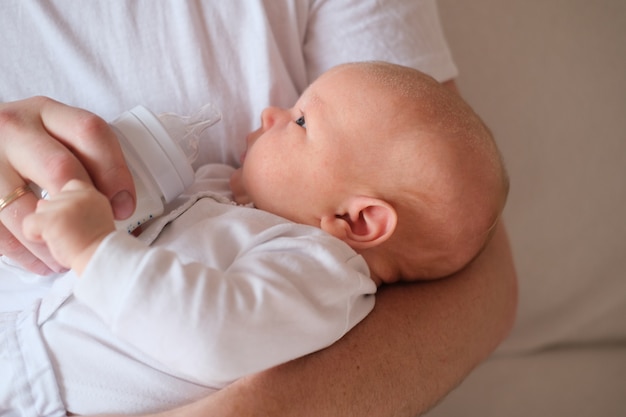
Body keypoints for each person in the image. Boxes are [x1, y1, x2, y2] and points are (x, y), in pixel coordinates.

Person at [0, 2, 517, 416]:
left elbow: (210, 333)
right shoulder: (240, 204)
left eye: (299, 122)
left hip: (48, 395)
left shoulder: (319, 276)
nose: (272, 111)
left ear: (355, 221)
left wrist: (95, 250)